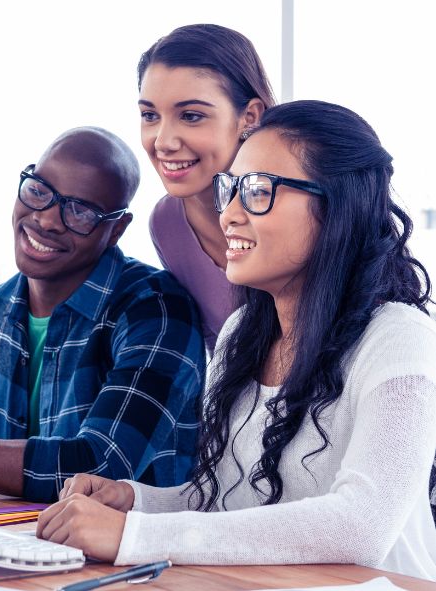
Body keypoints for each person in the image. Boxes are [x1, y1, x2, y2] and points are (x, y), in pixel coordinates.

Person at [36, 101, 436, 580]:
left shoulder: (399, 338)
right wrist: (135, 500)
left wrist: (135, 536)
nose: (228, 214)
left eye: (258, 191)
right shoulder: (239, 334)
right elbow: (228, 503)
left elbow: (361, 526)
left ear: (337, 208)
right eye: (231, 190)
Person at [0, 126, 204, 502]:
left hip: (134, 556)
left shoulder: (157, 310)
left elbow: (100, 468)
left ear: (116, 229)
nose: (47, 220)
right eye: (39, 191)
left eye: (80, 211)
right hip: (12, 548)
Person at [139, 24, 275, 351]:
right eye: (149, 115)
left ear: (250, 116)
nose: (163, 142)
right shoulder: (168, 223)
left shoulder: (302, 204)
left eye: (191, 116)